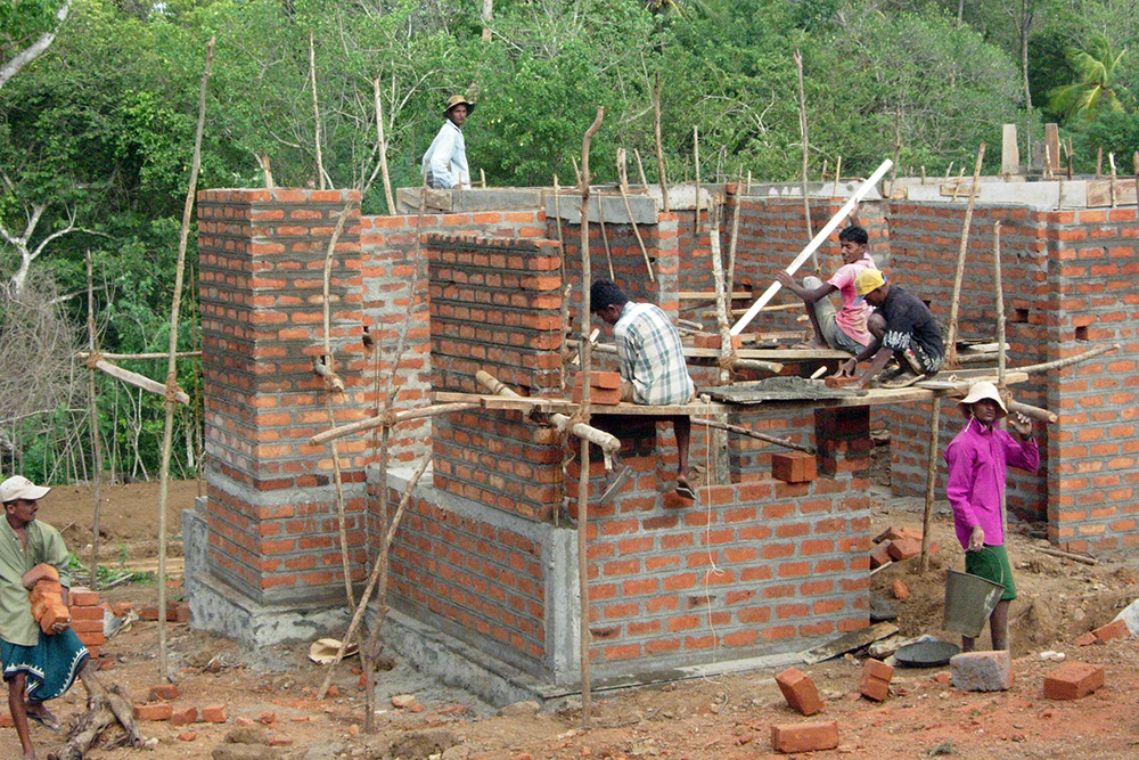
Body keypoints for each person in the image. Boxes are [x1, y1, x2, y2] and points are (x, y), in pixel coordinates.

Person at [944, 382, 1038, 652]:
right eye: (983, 402)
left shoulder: (996, 437)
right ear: (971, 407)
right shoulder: (963, 444)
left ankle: (977, 652)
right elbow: (956, 494)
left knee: (982, 588)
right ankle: (993, 653)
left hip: (993, 527)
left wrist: (1027, 437)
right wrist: (973, 526)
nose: (989, 408)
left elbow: (1030, 464)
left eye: (994, 404)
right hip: (979, 530)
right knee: (1000, 589)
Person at [1, 475, 89, 759]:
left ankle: (37, 701)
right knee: (17, 682)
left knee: (79, 656)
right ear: (10, 507)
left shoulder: (46, 534)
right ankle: (28, 751)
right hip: (11, 617)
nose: (35, 506)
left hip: (43, 611)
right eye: (28, 502)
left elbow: (62, 569)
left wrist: (62, 608)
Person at [590, 279, 697, 499]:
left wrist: (611, 378)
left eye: (602, 316)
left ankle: (615, 465)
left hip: (651, 395)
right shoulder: (652, 309)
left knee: (597, 398)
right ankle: (683, 470)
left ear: (612, 309)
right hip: (684, 390)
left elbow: (629, 376)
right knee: (680, 409)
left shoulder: (622, 328)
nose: (605, 322)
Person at [775, 224, 878, 354]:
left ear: (862, 248)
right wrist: (854, 216)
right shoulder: (869, 264)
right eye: (842, 246)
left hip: (843, 337)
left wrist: (791, 285)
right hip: (865, 340)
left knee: (810, 282)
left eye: (848, 247)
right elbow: (863, 241)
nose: (843, 251)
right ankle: (821, 340)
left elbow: (814, 295)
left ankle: (820, 341)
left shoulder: (849, 270)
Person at [836, 268, 944, 388]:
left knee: (875, 322)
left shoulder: (900, 305)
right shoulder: (887, 301)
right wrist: (854, 360)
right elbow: (883, 340)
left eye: (867, 297)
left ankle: (910, 371)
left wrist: (860, 382)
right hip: (918, 351)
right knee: (875, 323)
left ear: (878, 290)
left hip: (930, 361)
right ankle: (905, 368)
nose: (866, 302)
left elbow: (888, 348)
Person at [421, 95, 474, 190]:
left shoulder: (455, 132)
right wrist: (453, 184)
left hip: (460, 191)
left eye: (464, 111)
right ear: (450, 114)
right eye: (457, 111)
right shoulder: (449, 133)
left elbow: (428, 163)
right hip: (456, 194)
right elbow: (437, 162)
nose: (461, 115)